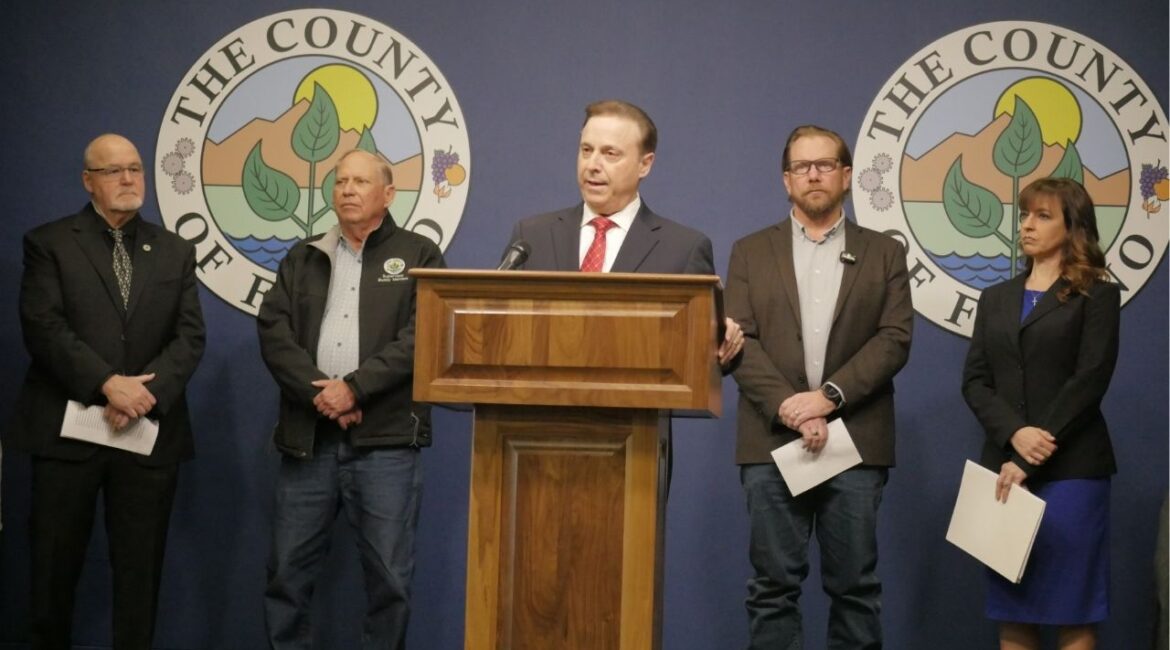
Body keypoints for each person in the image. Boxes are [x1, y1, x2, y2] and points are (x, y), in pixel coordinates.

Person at [8, 133, 206, 649]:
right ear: (88, 181)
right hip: (67, 438)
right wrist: (107, 385)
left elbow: (189, 337)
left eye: (135, 169)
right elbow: (44, 327)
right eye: (114, 170)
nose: (128, 179)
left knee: (140, 581)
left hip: (146, 435)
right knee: (52, 578)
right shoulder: (49, 243)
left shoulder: (175, 250)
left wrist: (141, 398)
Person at [726, 125, 913, 649]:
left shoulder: (884, 253)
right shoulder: (749, 252)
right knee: (771, 590)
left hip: (855, 441)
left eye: (825, 165)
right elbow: (738, 341)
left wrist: (827, 398)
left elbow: (894, 339)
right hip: (771, 440)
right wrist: (791, 406)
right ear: (786, 180)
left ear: (846, 176)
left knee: (855, 589)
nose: (813, 175)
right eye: (801, 167)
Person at [257, 148, 446, 649]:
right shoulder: (302, 257)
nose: (347, 190)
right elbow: (274, 332)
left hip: (386, 444)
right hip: (310, 440)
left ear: (388, 194)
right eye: (341, 181)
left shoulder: (420, 254)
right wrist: (322, 394)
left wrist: (355, 389)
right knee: (286, 576)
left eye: (360, 182)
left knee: (390, 582)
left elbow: (422, 337)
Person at [962, 177, 1120, 650]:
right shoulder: (995, 298)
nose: (1027, 225)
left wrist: (1032, 453)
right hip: (1005, 470)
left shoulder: (1098, 295)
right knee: (1014, 611)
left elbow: (1090, 379)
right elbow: (975, 381)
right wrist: (1015, 436)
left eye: (1043, 216)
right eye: (1025, 215)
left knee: (1073, 611)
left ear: (1073, 227)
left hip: (1073, 472)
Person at [505, 99, 742, 365]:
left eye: (610, 154)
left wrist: (723, 339)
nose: (592, 164)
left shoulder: (683, 249)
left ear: (645, 165)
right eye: (586, 150)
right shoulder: (532, 236)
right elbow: (500, 330)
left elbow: (706, 355)